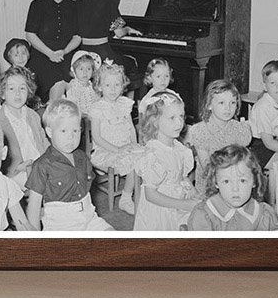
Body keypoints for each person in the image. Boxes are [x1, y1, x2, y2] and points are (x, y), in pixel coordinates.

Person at [25, 99, 112, 231]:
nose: (70, 137)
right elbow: (33, 207)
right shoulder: (42, 165)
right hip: (61, 224)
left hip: (89, 216)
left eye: (75, 131)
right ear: (49, 132)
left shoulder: (82, 158)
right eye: (64, 131)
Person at [132, 93, 201, 232]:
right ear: (155, 121)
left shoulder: (179, 148)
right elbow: (150, 195)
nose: (179, 123)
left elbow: (182, 176)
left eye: (181, 116)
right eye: (172, 118)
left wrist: (195, 193)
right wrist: (183, 204)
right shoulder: (153, 154)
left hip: (179, 201)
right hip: (160, 210)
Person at [86, 61, 141, 214]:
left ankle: (139, 194)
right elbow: (96, 137)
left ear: (122, 85)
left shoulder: (124, 104)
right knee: (132, 164)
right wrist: (117, 149)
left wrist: (134, 145)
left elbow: (130, 127)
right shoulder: (97, 108)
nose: (112, 89)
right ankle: (126, 198)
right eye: (108, 85)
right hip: (106, 151)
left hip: (125, 147)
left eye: (117, 85)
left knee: (144, 157)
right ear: (99, 86)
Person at [186, 144, 278, 232]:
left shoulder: (264, 214)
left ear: (254, 181)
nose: (235, 189)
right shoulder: (204, 215)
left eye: (242, 181)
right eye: (226, 181)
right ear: (216, 182)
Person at [75, 0, 139, 85]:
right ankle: (127, 103)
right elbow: (119, 32)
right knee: (132, 62)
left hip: (82, 54)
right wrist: (128, 29)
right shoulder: (108, 2)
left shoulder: (78, 2)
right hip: (103, 54)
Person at [24, 0, 81, 100]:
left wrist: (64, 51)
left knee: (76, 85)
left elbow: (78, 36)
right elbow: (30, 34)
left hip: (65, 54)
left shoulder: (74, 6)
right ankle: (52, 120)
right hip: (42, 55)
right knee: (59, 84)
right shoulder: (37, 5)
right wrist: (50, 53)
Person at [185, 79, 252, 192]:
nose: (228, 108)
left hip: (235, 184)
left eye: (233, 103)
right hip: (210, 187)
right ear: (209, 105)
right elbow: (207, 167)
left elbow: (243, 160)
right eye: (221, 103)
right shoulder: (200, 131)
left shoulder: (240, 129)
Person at [0, 65, 47, 188]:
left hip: (39, 164)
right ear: (2, 93)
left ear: (29, 92)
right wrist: (17, 167)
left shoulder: (33, 115)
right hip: (16, 172)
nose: (17, 93)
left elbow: (43, 141)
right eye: (11, 89)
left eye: (22, 88)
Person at [248, 60, 278, 168]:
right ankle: (275, 184)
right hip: (261, 146)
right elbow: (268, 142)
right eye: (272, 83)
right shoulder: (262, 107)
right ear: (265, 86)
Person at [50, 49, 101, 116]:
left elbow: (97, 101)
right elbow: (72, 105)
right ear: (74, 71)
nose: (85, 72)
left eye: (88, 69)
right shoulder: (72, 86)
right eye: (81, 69)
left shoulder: (93, 86)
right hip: (77, 116)